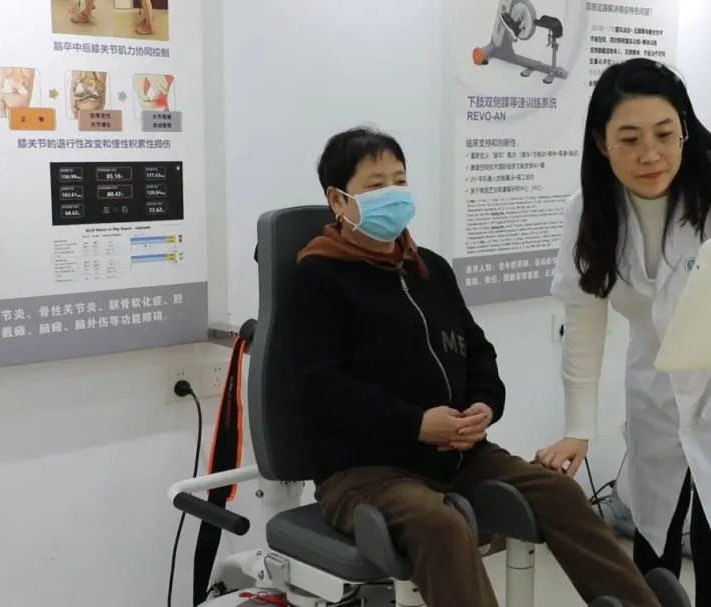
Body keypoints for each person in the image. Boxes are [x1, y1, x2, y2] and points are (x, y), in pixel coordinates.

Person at [291, 127, 681, 607]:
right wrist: (417, 425)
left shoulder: (429, 269)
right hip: (365, 472)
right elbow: (321, 389)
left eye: (400, 181)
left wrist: (483, 406)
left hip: (460, 456)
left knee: (559, 494)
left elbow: (478, 352)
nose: (393, 194)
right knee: (442, 525)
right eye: (376, 186)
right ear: (338, 199)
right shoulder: (317, 278)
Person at [536, 58, 711, 607]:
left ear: (685, 129)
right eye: (629, 139)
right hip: (656, 389)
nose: (650, 154)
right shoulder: (590, 210)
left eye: (664, 134)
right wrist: (578, 428)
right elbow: (583, 319)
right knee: (654, 537)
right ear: (602, 143)